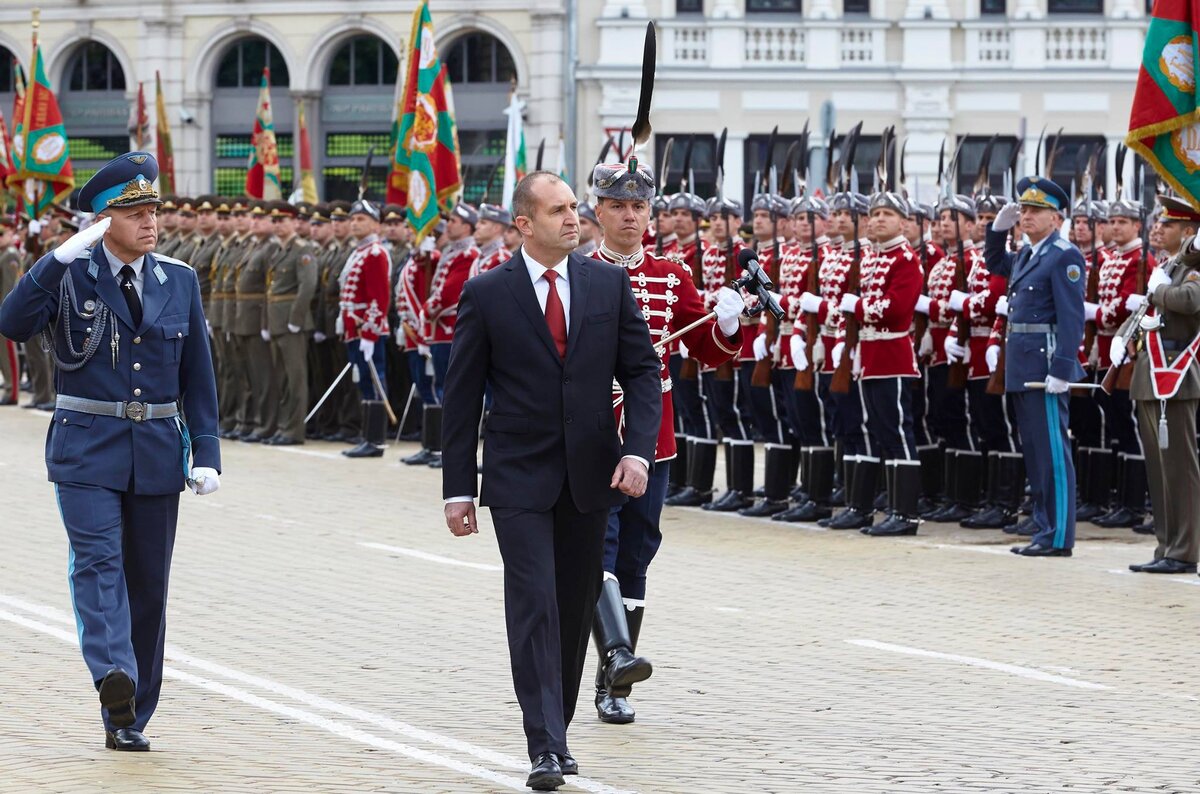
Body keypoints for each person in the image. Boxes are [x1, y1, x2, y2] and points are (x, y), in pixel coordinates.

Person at [441, 171, 661, 791]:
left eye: (575, 208)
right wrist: (458, 486)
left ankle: (556, 732)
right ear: (523, 224)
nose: (574, 219)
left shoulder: (607, 284)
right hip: (517, 480)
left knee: (570, 610)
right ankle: (544, 743)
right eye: (559, 210)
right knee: (534, 605)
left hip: (592, 477)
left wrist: (638, 453)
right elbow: (459, 400)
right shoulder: (488, 294)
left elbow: (643, 375)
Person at [0, 152, 220, 751]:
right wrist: (54, 260)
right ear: (100, 221)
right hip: (85, 451)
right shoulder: (67, 272)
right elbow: (13, 322)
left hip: (154, 450)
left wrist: (207, 452)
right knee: (98, 565)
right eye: (134, 212)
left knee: (149, 584)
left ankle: (129, 714)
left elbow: (199, 374)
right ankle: (113, 676)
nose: (150, 222)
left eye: (153, 210)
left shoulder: (178, 278)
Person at [589, 160, 743, 725]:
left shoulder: (671, 275)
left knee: (636, 552)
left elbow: (708, 349)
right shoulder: (578, 272)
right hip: (594, 434)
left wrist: (725, 322)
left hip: (652, 437)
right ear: (598, 212)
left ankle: (616, 686)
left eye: (638, 207)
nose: (630, 216)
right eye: (618, 207)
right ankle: (617, 656)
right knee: (596, 549)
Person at [985, 176, 1085, 557]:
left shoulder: (1064, 255)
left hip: (1044, 365)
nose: (1025, 216)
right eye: (1023, 209)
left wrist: (1062, 368)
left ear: (1056, 218)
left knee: (1053, 453)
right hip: (1023, 364)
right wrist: (997, 231)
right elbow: (996, 263)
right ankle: (1045, 529)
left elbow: (1072, 317)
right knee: (1036, 452)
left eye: (1034, 211)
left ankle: (1058, 536)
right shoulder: (1029, 254)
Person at [1118, 196, 1200, 574]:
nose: (1157, 228)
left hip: (1177, 375)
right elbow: (1142, 312)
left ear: (1188, 232)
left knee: (1180, 467)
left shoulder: (1191, 268)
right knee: (1158, 467)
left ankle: (1184, 550)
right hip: (1150, 374)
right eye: (1158, 223)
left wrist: (1157, 292)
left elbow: (1190, 300)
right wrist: (1122, 336)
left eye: (1167, 224)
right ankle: (1166, 545)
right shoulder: (1167, 266)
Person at [339, 200, 393, 458]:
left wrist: (370, 333)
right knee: (364, 382)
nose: (355, 223)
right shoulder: (359, 251)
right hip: (354, 329)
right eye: (353, 219)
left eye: (361, 219)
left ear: (375, 224)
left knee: (374, 381)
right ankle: (367, 437)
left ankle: (376, 440)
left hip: (366, 331)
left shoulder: (375, 253)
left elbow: (379, 298)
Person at [263, 201, 317, 445]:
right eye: (274, 221)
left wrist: (296, 319)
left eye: (283, 220)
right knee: (281, 378)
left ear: (295, 222)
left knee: (295, 378)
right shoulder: (278, 250)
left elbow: (307, 286)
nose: (278, 225)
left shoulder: (302, 250)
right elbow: (270, 290)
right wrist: (267, 321)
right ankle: (283, 426)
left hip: (291, 322)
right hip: (276, 320)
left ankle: (294, 430)